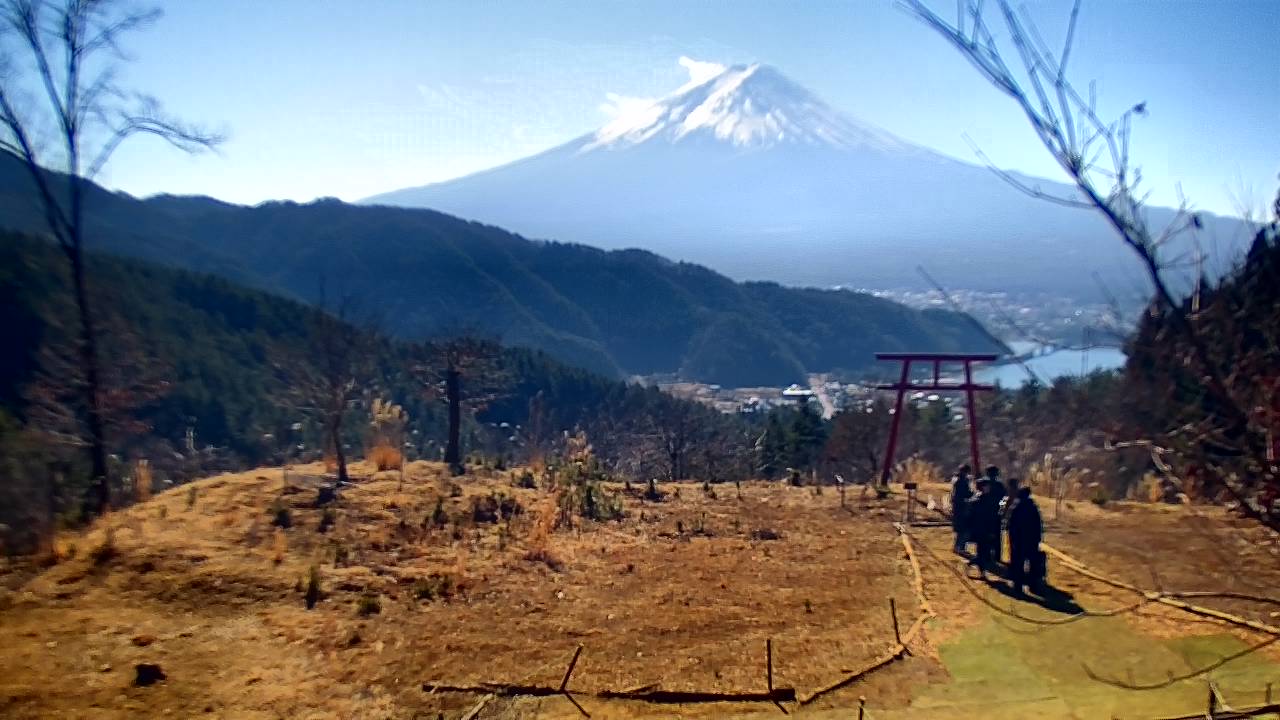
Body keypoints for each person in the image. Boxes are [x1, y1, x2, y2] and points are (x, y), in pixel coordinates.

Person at [1007, 486, 1044, 594]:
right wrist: (1038, 539)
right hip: (1031, 540)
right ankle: (1033, 586)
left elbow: (1011, 525)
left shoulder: (1015, 507)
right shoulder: (1033, 507)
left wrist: (1012, 539)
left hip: (1018, 540)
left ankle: (1017, 586)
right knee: (1033, 563)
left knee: (1018, 563)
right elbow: (1038, 525)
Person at [969, 478, 1001, 579]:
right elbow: (991, 516)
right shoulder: (985, 500)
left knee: (983, 551)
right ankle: (978, 566)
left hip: (979, 529)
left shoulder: (976, 499)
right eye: (987, 486)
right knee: (984, 551)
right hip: (985, 529)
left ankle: (978, 566)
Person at [950, 464, 973, 554]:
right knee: (963, 529)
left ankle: (959, 547)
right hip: (961, 507)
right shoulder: (961, 481)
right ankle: (959, 547)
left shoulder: (957, 480)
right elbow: (964, 494)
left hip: (958, 507)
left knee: (961, 529)